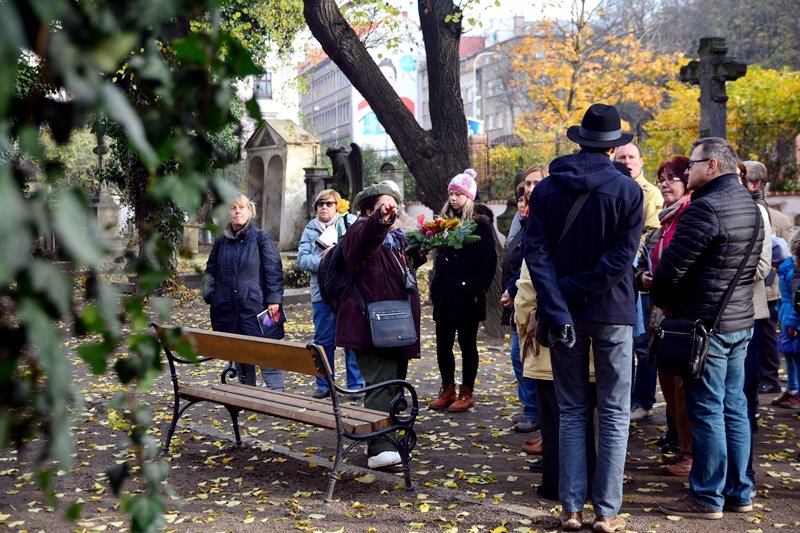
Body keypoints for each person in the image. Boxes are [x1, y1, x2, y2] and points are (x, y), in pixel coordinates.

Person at [524, 103, 643, 533]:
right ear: (614, 148)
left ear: (580, 141)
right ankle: (606, 513)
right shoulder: (629, 192)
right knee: (612, 413)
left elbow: (535, 255)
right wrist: (571, 293)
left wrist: (558, 300)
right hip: (612, 313)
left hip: (562, 314)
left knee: (572, 410)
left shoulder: (548, 190)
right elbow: (619, 263)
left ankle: (572, 508)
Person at [652, 137, 764, 519]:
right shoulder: (749, 205)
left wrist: (652, 285)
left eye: (693, 164)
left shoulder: (705, 209)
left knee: (707, 410)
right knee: (734, 408)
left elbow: (668, 273)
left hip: (707, 325)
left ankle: (706, 497)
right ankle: (739, 493)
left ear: (712, 165)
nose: (688, 171)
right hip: (739, 322)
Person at [335, 183, 422, 469]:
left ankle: (390, 439)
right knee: (380, 386)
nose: (393, 210)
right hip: (371, 327)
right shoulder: (360, 231)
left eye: (394, 206)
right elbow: (369, 237)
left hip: (393, 327)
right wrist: (378, 221)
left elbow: (394, 274)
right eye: (385, 206)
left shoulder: (395, 240)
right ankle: (379, 448)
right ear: (369, 210)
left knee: (394, 385)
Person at [515, 260, 597, 501]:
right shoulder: (597, 238)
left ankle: (556, 485)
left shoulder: (542, 241)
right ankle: (591, 483)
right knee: (587, 422)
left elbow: (526, 295)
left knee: (554, 422)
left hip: (549, 346)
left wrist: (523, 331)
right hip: (592, 345)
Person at [636, 156, 694, 476]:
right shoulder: (665, 220)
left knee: (685, 389)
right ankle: (682, 446)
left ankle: (691, 453)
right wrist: (643, 276)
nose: (664, 184)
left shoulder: (689, 214)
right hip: (660, 312)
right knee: (668, 384)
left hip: (682, 313)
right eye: (661, 179)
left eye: (671, 178)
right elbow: (651, 261)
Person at [428, 169, 498, 413]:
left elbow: (489, 260)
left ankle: (466, 391)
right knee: (443, 344)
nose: (454, 198)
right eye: (451, 194)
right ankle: (447, 388)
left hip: (468, 294)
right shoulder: (444, 223)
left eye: (458, 193)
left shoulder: (480, 222)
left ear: (469, 196)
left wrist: (478, 289)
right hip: (446, 293)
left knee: (468, 345)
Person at [203, 193, 285, 390]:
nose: (237, 211)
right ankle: (247, 397)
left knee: (268, 354)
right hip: (229, 310)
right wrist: (212, 295)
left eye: (241, 207)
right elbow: (210, 272)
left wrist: (274, 300)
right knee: (241, 358)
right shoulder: (221, 241)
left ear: (250, 211)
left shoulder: (260, 238)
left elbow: (273, 269)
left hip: (259, 310)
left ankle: (278, 398)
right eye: (232, 208)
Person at [297, 189, 364, 399]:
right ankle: (325, 386)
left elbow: (359, 252)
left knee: (351, 340)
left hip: (348, 292)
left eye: (329, 203)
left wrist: (337, 254)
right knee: (323, 342)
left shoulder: (349, 223)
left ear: (337, 206)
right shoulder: (310, 229)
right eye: (320, 204)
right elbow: (302, 260)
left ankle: (355, 386)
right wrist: (327, 261)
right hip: (322, 295)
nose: (324, 207)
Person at [615, 143, 662, 423]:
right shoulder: (612, 187)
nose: (628, 161)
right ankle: (627, 398)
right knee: (626, 344)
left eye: (632, 157)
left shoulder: (650, 193)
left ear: (641, 161)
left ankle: (643, 400)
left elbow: (651, 236)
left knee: (643, 344)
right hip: (621, 277)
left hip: (639, 275)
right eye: (622, 157)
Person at [501, 164, 548, 432]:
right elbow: (520, 261)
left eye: (536, 183)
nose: (530, 189)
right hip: (522, 298)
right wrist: (511, 288)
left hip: (539, 300)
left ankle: (535, 412)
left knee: (530, 356)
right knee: (520, 356)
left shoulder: (545, 217)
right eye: (527, 184)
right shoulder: (525, 217)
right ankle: (530, 407)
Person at [744, 160, 793, 395]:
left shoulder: (775, 218)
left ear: (756, 184)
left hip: (769, 286)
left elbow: (787, 253)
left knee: (765, 336)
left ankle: (770, 377)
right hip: (766, 285)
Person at [775, 235, 800, 408]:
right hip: (787, 316)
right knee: (790, 355)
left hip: (792, 320)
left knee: (795, 357)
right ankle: (792, 389)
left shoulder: (792, 269)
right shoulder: (792, 267)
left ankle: (795, 392)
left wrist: (793, 324)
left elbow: (796, 300)